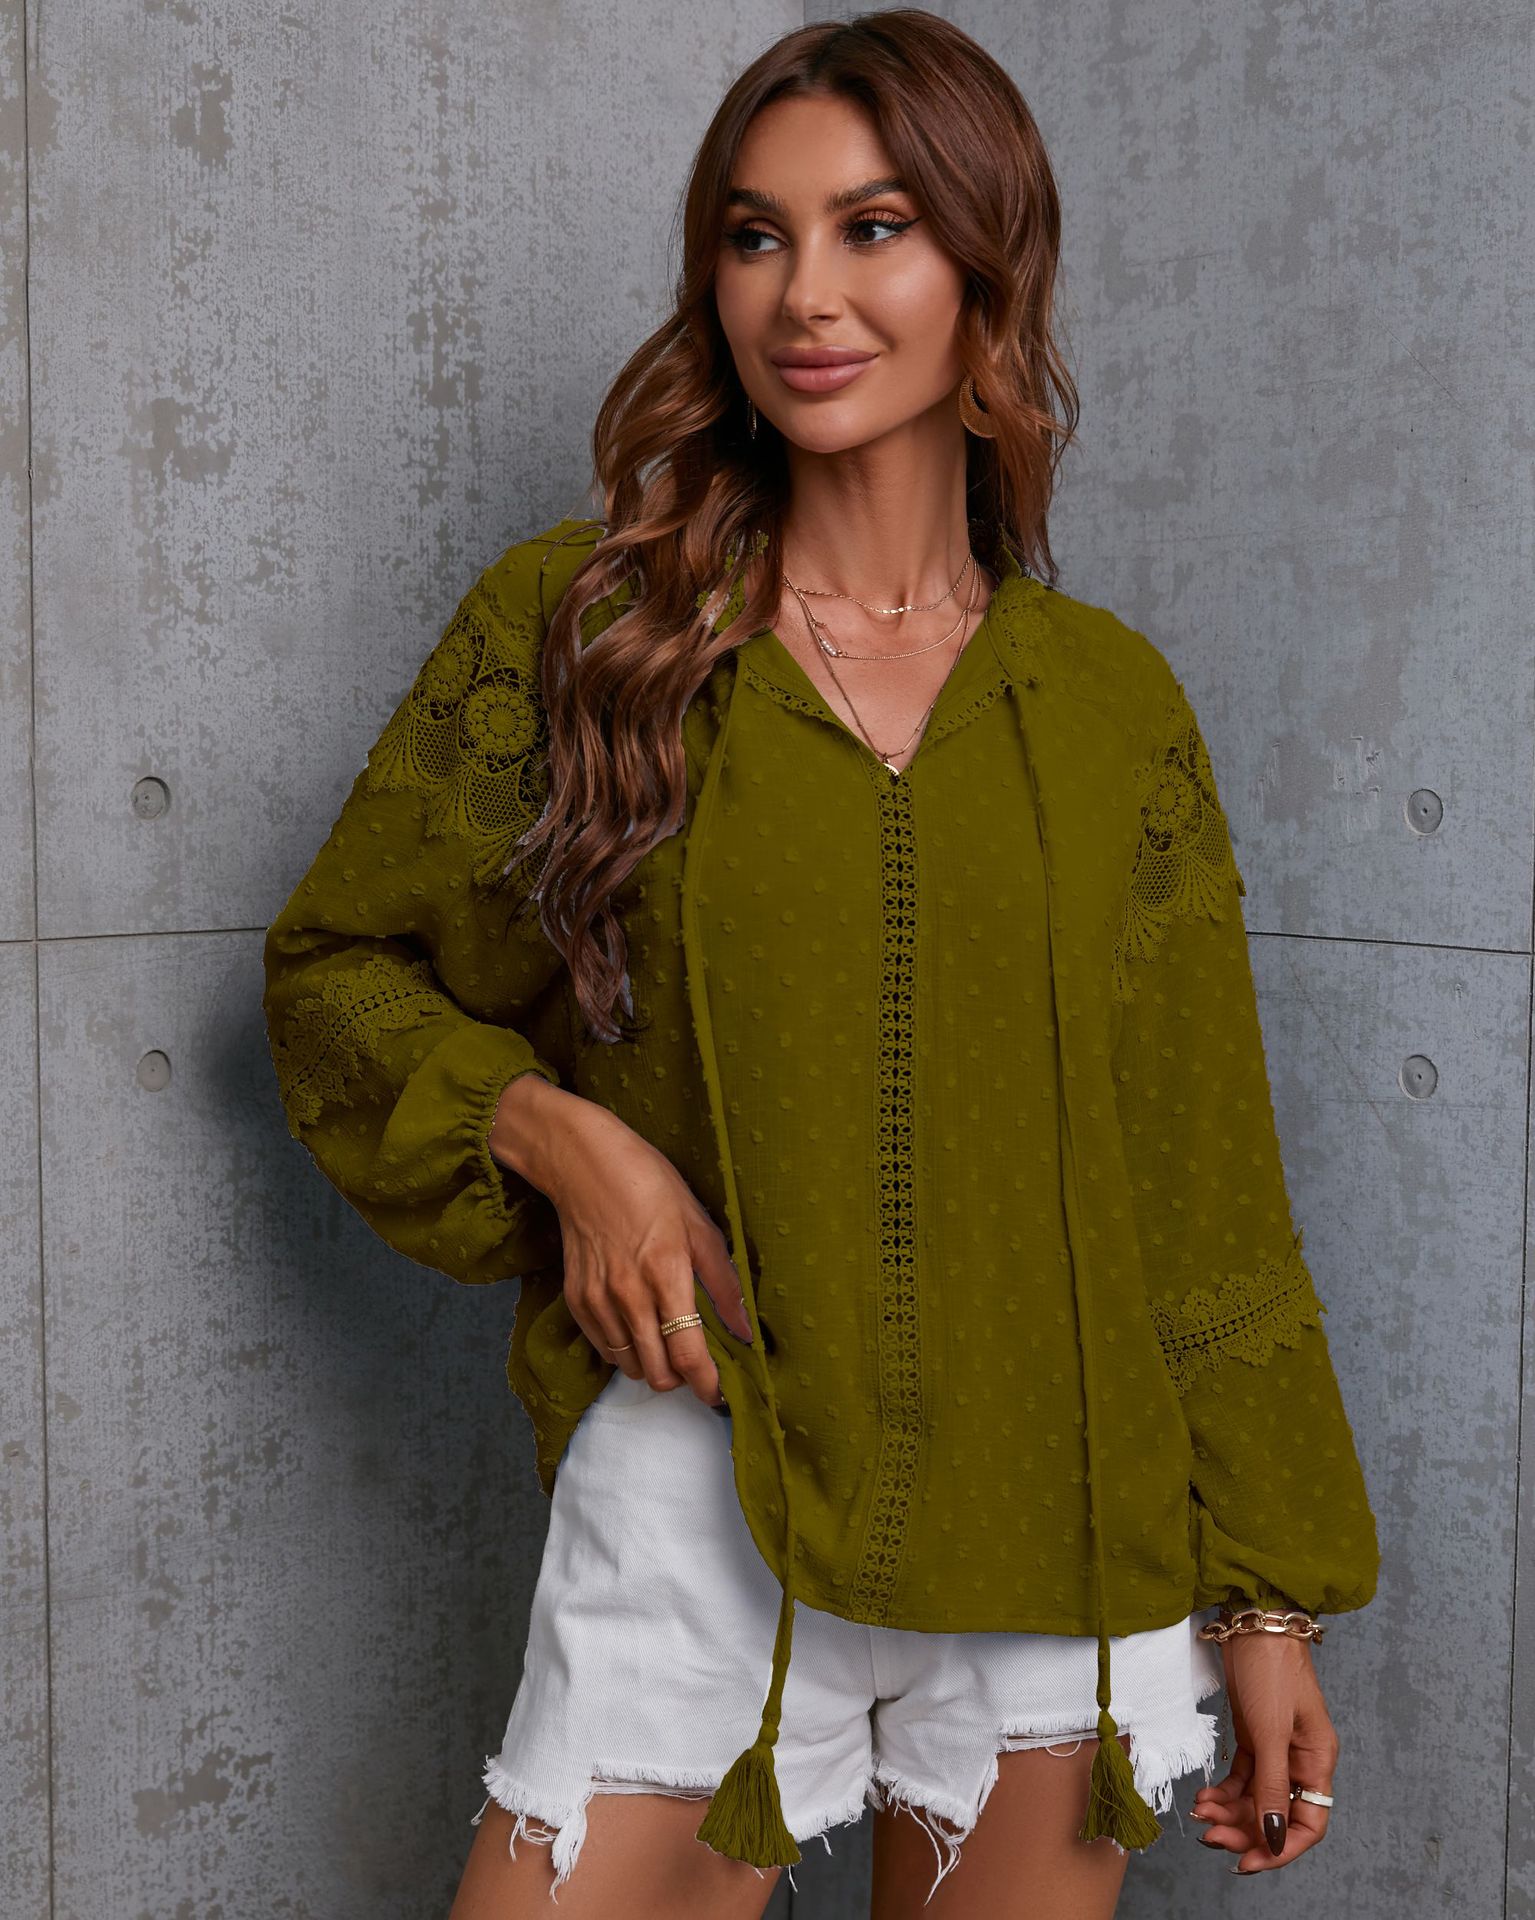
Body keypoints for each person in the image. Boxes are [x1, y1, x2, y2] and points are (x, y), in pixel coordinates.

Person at [261, 13, 1380, 1919]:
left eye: (874, 228)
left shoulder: (1111, 705)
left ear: (987, 267)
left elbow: (1203, 1186)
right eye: (755, 235)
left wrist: (1271, 1598)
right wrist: (560, 1137)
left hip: (1058, 1514)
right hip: (704, 1478)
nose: (807, 295)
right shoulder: (586, 631)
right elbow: (334, 973)